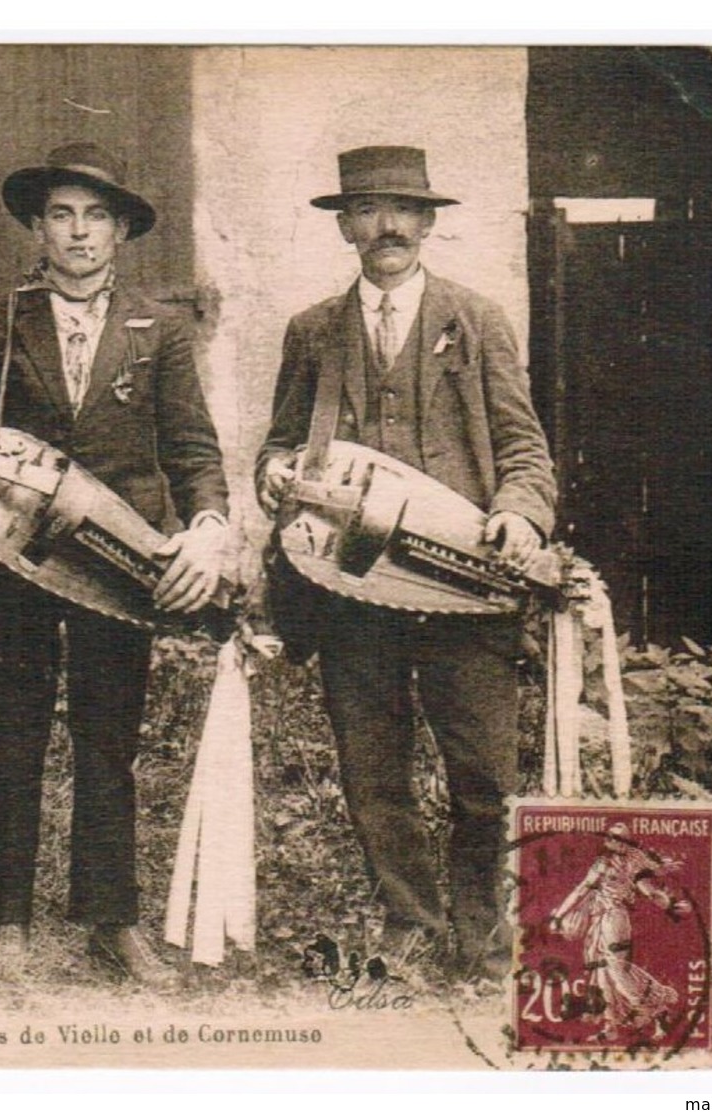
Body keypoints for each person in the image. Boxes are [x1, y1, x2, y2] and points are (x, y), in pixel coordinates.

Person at [0, 143, 231, 989]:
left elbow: (191, 447)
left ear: (121, 230)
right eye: (61, 214)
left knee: (107, 737)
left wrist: (205, 525)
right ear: (38, 227)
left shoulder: (157, 327)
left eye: (94, 216)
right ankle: (3, 918)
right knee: (11, 730)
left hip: (116, 562)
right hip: (12, 556)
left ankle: (110, 921)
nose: (78, 232)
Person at [256, 146, 557, 977]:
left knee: (481, 774)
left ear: (426, 222)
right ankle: (409, 919)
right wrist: (275, 473)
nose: (385, 226)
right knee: (371, 767)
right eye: (367, 210)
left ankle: (480, 931)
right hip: (349, 586)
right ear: (345, 226)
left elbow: (524, 450)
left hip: (463, 584)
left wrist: (517, 515)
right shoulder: (313, 332)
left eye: (402, 209)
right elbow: (281, 445)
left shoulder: (476, 319)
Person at [548, 823, 688, 1041]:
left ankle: (658, 1013)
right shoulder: (604, 864)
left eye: (622, 840)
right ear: (608, 841)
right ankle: (610, 1026)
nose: (617, 843)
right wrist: (668, 905)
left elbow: (648, 892)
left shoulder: (629, 864)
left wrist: (669, 905)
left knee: (616, 972)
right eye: (613, 838)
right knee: (603, 972)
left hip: (614, 919)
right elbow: (582, 891)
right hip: (599, 921)